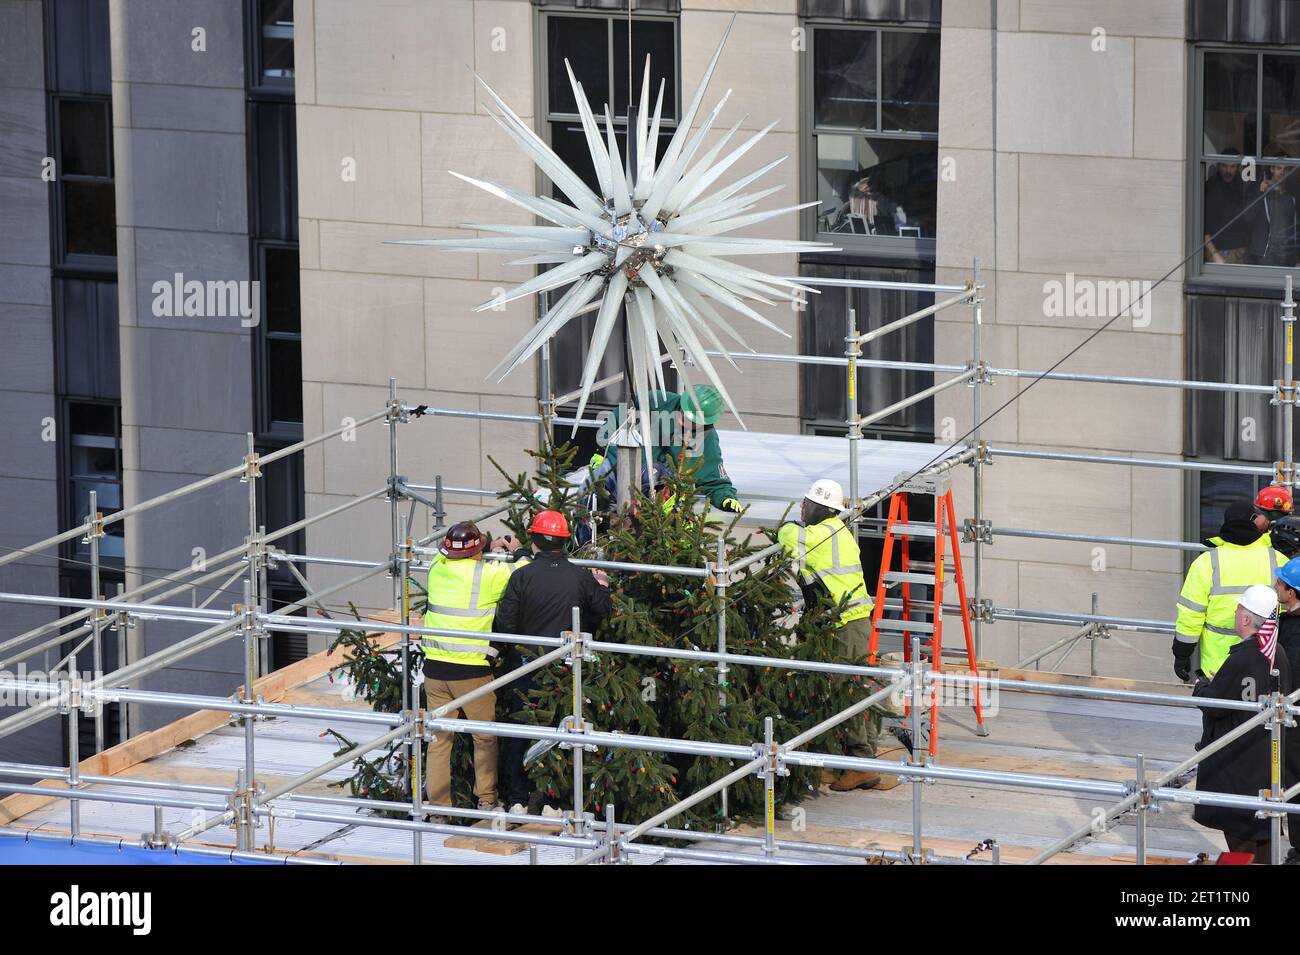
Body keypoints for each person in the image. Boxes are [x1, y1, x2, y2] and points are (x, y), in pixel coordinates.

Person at [493, 510, 612, 815]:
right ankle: (549, 801)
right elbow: (602, 608)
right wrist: (603, 586)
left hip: (525, 662)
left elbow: (505, 623)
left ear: (533, 540)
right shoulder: (579, 577)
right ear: (564, 540)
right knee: (557, 730)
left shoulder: (522, 576)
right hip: (562, 667)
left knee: (520, 728)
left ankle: (517, 799)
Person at [777, 478, 879, 791]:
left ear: (821, 509)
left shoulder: (819, 535)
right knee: (852, 687)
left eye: (806, 504)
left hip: (846, 623)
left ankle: (860, 763)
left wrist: (793, 524)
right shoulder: (836, 531)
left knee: (845, 691)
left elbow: (785, 533)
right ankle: (854, 757)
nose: (801, 508)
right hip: (848, 621)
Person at [421, 520, 524, 817]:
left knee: (440, 739)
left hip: (435, 670)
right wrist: (514, 549)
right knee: (484, 736)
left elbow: (446, 554)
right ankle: (487, 800)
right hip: (472, 672)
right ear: (478, 550)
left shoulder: (437, 569)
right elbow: (524, 570)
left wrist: (484, 549)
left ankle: (439, 809)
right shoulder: (488, 575)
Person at [1192, 585, 1298, 863]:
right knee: (1259, 836)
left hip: (1238, 765)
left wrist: (1202, 686)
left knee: (1242, 838)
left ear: (1247, 619)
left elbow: (1215, 706)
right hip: (1265, 762)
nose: (1236, 612)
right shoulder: (1278, 654)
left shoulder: (1244, 657)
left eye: (1239, 608)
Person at [1175, 501, 1287, 683]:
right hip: (1265, 657)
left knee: (1218, 709)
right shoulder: (1278, 560)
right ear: (1253, 522)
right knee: (1261, 709)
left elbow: (1191, 614)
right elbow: (1287, 612)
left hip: (1217, 663)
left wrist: (1182, 653)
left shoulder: (1206, 563)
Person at [594, 385, 742, 513]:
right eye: (684, 411)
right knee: (590, 488)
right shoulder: (656, 401)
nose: (685, 417)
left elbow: (714, 479)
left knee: (656, 472)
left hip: (654, 493)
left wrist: (725, 498)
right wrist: (603, 452)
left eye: (692, 419)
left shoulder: (706, 438)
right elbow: (616, 420)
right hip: (620, 464)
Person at [1249, 147, 1299, 267]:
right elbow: (1248, 217)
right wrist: (1261, 193)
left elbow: (1295, 229)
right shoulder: (1261, 192)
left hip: (1287, 258)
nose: (1282, 172)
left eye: (1286, 169)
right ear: (1271, 169)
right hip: (1265, 257)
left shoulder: (1292, 197)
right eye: (1278, 168)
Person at [1203, 161, 1253, 264]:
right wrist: (1214, 253)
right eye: (1224, 166)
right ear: (1218, 166)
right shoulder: (1210, 188)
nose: (1228, 171)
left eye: (1232, 166)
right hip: (1220, 252)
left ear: (1238, 168)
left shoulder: (1242, 185)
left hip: (1242, 250)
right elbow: (1203, 226)